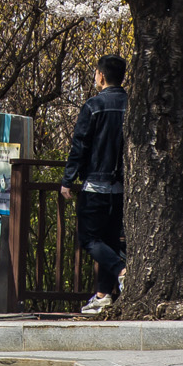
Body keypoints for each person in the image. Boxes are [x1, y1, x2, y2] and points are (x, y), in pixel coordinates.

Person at [60, 54, 127, 315]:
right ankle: (102, 295)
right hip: (121, 188)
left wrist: (68, 179)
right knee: (109, 240)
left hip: (95, 185)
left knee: (88, 239)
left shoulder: (94, 105)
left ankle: (122, 271)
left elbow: (81, 144)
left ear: (100, 75)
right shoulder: (131, 105)